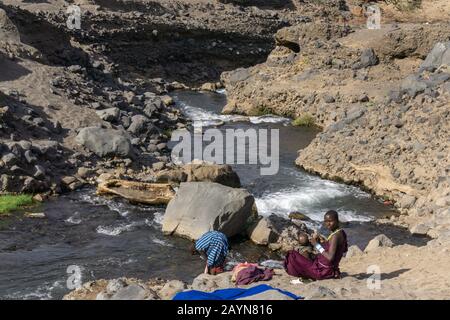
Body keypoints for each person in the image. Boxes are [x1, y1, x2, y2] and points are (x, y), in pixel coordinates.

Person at [284, 210, 348, 280]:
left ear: (337, 221)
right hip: (330, 268)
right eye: (326, 221)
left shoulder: (335, 236)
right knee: (307, 254)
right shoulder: (341, 232)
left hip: (323, 271)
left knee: (291, 255)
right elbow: (344, 249)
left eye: (330, 221)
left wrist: (316, 245)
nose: (328, 224)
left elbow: (330, 257)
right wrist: (324, 244)